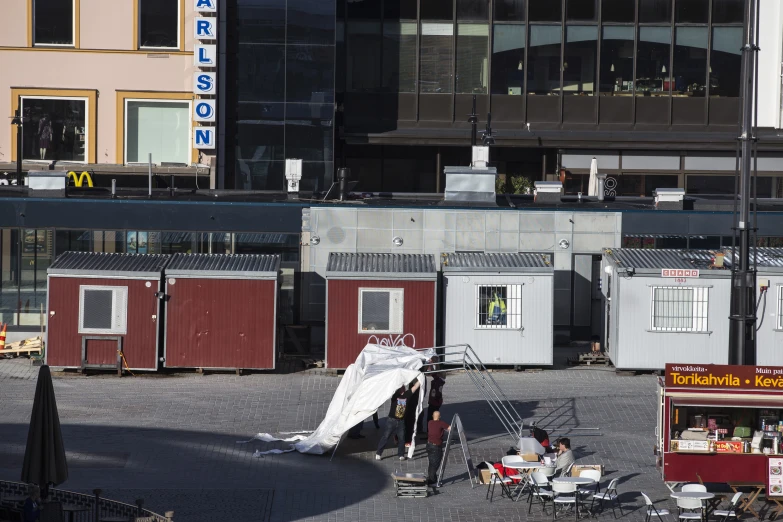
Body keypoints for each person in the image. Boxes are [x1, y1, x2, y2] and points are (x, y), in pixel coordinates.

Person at [376, 379, 421, 461]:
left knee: (402, 438)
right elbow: (391, 387)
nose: (402, 387)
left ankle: (401, 455)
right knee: (385, 437)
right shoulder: (395, 395)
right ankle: (378, 453)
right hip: (391, 420)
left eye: (403, 386)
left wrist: (421, 378)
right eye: (400, 387)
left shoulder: (407, 394)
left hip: (401, 421)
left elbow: (415, 387)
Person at [426, 411, 450, 486]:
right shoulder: (441, 423)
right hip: (436, 446)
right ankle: (432, 481)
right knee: (435, 463)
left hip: (429, 445)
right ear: (439, 417)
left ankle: (432, 478)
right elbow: (450, 428)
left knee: (431, 462)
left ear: (433, 416)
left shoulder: (430, 422)